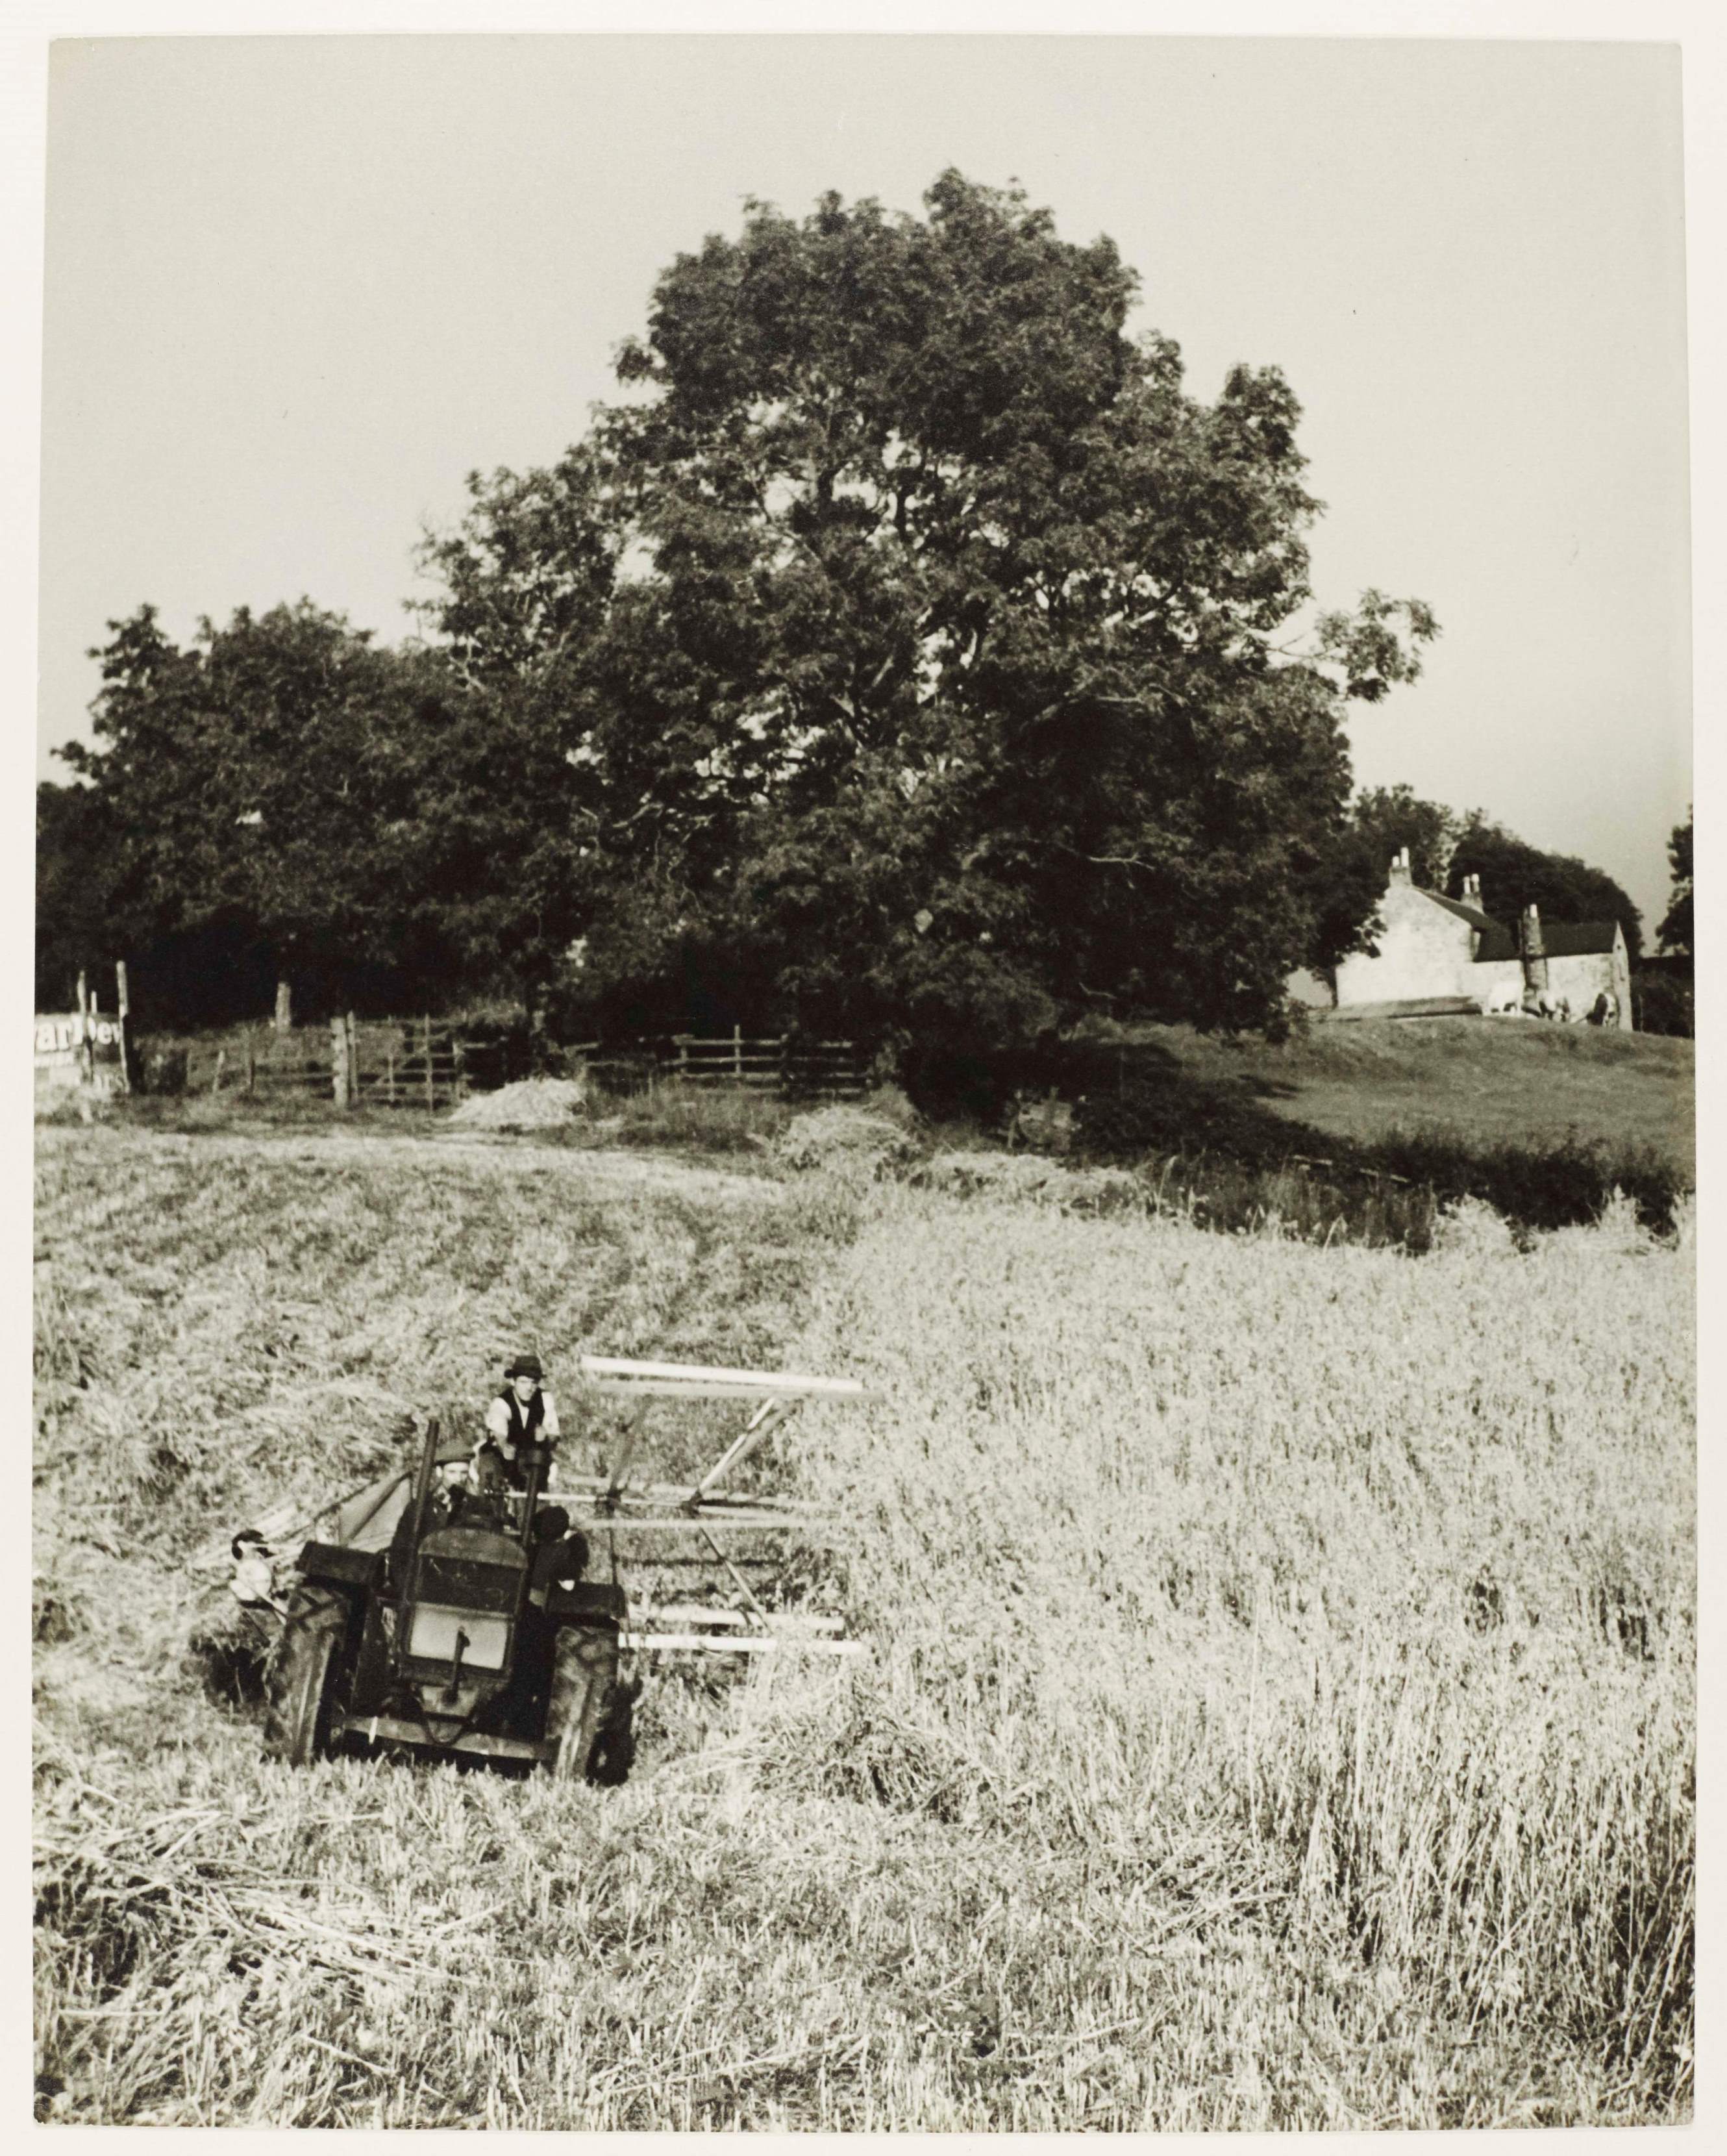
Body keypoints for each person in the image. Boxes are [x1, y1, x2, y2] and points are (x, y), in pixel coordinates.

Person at [473, 1352, 562, 1492]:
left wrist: (546, 1437)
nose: (529, 1388)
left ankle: (536, 1509)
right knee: (490, 1469)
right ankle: (488, 1508)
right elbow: (500, 1435)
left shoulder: (545, 1399)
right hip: (499, 1458)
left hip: (530, 1457)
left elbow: (554, 1436)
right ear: (513, 1382)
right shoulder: (501, 1403)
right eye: (523, 1382)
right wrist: (505, 1447)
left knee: (539, 1466)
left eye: (534, 1383)